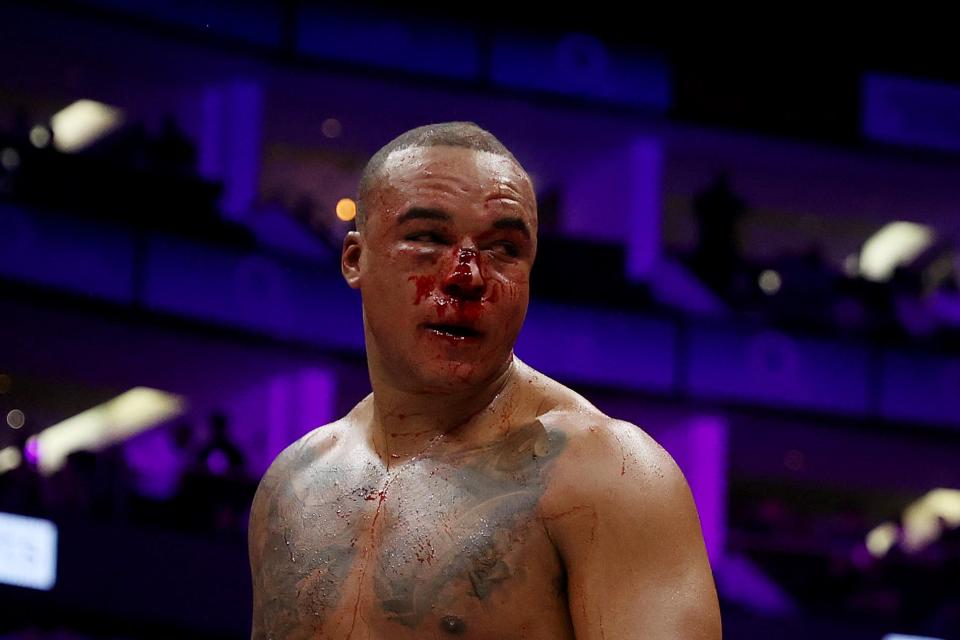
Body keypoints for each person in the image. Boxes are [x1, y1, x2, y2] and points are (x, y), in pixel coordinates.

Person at [247, 122, 722, 639]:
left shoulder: (609, 476)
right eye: (428, 238)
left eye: (503, 249)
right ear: (355, 259)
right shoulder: (292, 485)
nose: (466, 275)